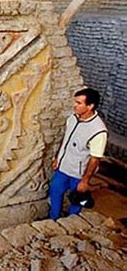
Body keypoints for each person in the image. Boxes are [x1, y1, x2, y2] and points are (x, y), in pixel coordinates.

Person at [49, 87, 107, 220]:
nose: (75, 105)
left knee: (76, 200)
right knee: (55, 192)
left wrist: (85, 181)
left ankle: (71, 222)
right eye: (75, 102)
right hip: (63, 168)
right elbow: (66, 140)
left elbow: (95, 159)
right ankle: (54, 219)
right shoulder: (73, 118)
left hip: (78, 174)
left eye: (79, 103)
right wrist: (58, 158)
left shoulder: (98, 131)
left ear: (90, 106)